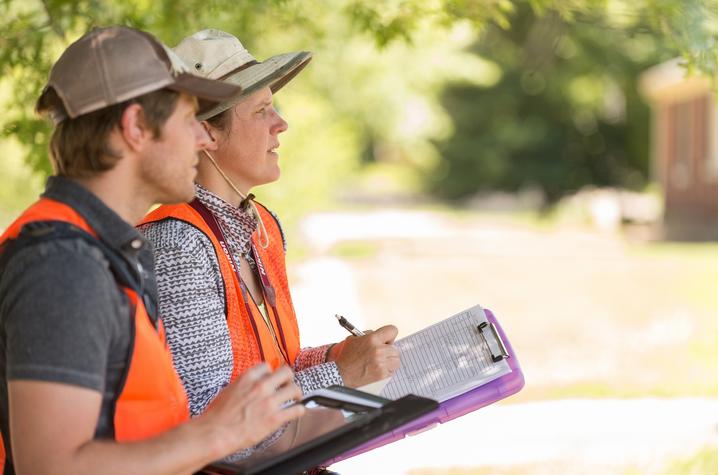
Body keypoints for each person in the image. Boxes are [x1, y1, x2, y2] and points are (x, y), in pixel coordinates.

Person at [0, 26, 305, 475]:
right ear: (137, 127)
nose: (203, 140)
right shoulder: (63, 266)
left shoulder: (110, 253)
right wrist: (218, 433)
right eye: (188, 122)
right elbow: (52, 468)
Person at [138, 29, 401, 420]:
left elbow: (279, 370)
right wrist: (341, 373)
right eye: (261, 111)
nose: (281, 124)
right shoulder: (177, 246)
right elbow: (206, 416)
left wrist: (336, 357)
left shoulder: (263, 230)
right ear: (206, 132)